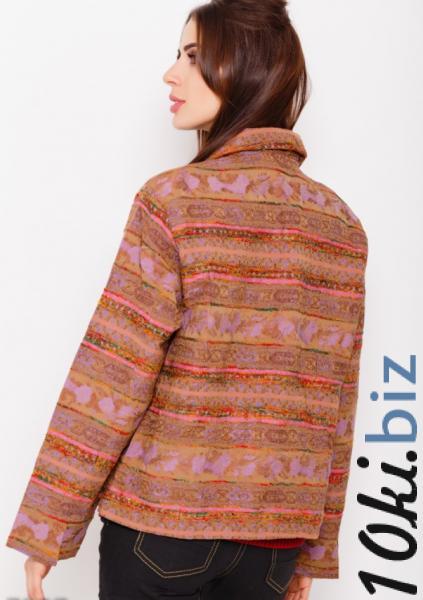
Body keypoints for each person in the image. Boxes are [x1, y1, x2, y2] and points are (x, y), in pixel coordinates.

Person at [5, 1, 368, 599]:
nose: (171, 74)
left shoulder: (173, 202)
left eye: (194, 57)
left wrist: (48, 528)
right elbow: (336, 403)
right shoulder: (341, 226)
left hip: (161, 531)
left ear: (245, 68)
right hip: (274, 546)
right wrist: (316, 549)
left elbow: (113, 372)